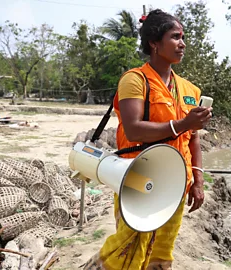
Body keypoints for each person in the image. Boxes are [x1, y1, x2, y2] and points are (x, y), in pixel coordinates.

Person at [82, 9, 213, 270]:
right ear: (154, 43)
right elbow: (133, 129)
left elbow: (193, 138)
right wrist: (184, 123)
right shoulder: (135, 80)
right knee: (129, 246)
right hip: (138, 178)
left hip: (176, 182)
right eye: (175, 37)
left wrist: (197, 181)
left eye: (183, 37)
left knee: (162, 251)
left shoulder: (190, 89)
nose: (182, 43)